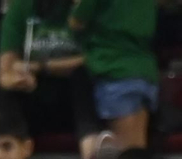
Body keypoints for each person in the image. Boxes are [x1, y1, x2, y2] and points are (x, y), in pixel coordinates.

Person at [0, 0, 104, 159]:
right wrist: (18, 80)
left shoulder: (86, 7)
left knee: (81, 77)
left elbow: (94, 59)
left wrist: (41, 67)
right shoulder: (22, 7)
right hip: (36, 94)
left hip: (76, 97)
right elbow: (4, 73)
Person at [68, 0, 158, 150]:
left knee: (128, 155)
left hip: (116, 71)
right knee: (138, 151)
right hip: (144, 70)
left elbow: (76, 21)